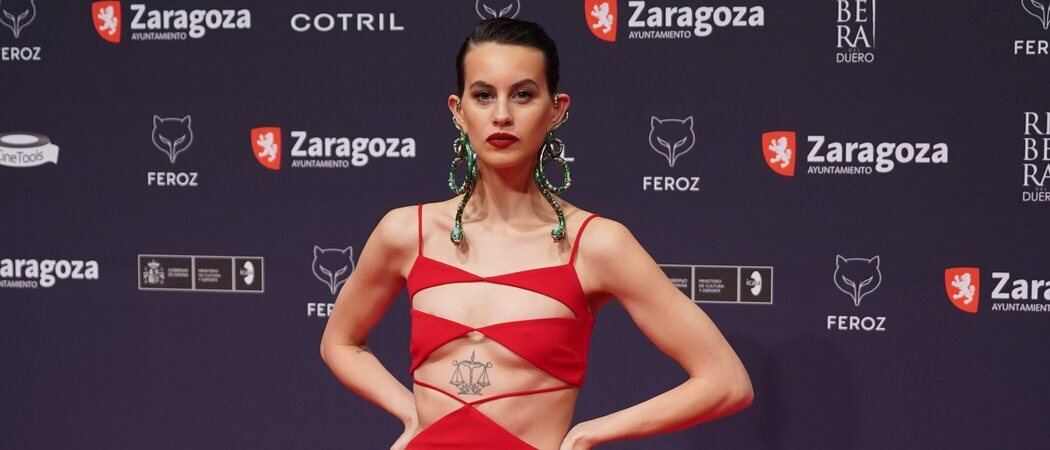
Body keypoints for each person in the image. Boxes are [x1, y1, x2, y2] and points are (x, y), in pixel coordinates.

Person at [320, 18, 753, 450]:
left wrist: (586, 435)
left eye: (523, 94)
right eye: (483, 95)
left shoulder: (597, 243)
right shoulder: (405, 232)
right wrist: (411, 413)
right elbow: (340, 342)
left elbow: (727, 381)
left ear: (556, 109)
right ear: (458, 110)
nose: (502, 115)